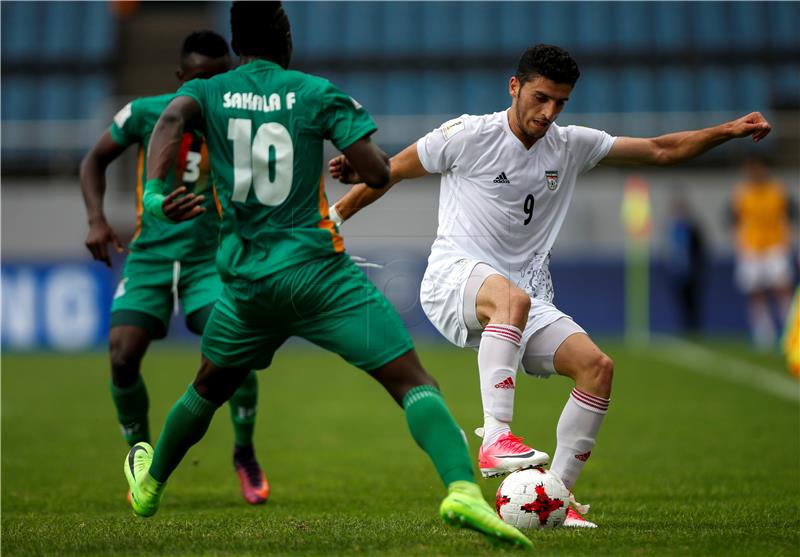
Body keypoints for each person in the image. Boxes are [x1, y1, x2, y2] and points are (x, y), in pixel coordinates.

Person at [122, 2, 531, 548]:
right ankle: (461, 489)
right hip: (319, 276)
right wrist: (351, 163)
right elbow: (379, 171)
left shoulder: (207, 92)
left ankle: (149, 485)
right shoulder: (314, 91)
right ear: (285, 37)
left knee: (205, 389)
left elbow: (170, 121)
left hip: (247, 286)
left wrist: (151, 194)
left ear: (237, 42)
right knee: (413, 381)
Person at [328, 44, 772, 528]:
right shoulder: (468, 135)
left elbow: (661, 150)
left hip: (518, 300)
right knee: (511, 299)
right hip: (454, 277)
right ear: (514, 86)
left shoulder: (571, 145)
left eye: (560, 102)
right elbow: (390, 171)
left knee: (597, 368)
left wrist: (728, 131)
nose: (549, 112)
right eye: (541, 97)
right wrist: (334, 216)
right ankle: (496, 437)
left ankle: (556, 499)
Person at [80, 30, 269, 505]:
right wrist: (97, 220)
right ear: (182, 78)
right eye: (204, 79)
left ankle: (244, 452)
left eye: (222, 78)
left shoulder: (240, 120)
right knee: (122, 355)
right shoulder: (147, 113)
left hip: (210, 259)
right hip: (150, 257)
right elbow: (94, 160)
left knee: (235, 350)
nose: (214, 89)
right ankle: (139, 455)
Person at [729, 156, 795, 350]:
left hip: (775, 245)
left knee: (782, 288)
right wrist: (739, 245)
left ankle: (791, 329)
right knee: (755, 292)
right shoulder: (741, 193)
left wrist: (788, 243)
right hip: (750, 247)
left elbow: (787, 217)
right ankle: (763, 333)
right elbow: (736, 221)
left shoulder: (778, 191)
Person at [666, 195, 706, 333]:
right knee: (681, 301)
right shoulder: (673, 228)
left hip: (691, 272)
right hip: (678, 273)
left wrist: (697, 268)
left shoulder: (692, 228)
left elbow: (699, 249)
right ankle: (685, 327)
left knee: (693, 301)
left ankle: (694, 327)